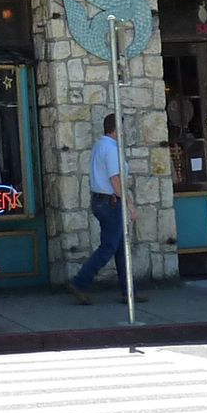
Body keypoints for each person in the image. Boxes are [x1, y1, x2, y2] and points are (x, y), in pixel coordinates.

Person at [71, 113, 131, 304]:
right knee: (109, 247)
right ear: (116, 129)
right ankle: (80, 282)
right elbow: (115, 179)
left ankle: (128, 290)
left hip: (101, 201)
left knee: (121, 247)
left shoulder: (100, 145)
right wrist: (130, 204)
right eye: (123, 127)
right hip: (110, 202)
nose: (125, 131)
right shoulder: (112, 149)